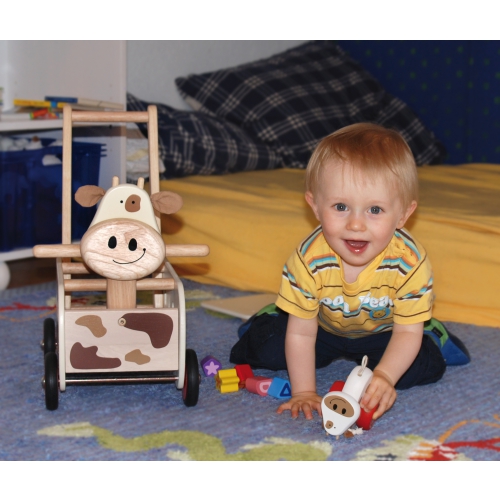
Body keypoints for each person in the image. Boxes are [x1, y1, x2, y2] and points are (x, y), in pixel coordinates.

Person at [230, 123, 470, 423]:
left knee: (423, 368)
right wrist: (304, 392)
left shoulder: (409, 262)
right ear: (315, 206)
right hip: (321, 326)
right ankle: (274, 314)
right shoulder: (308, 259)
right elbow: (302, 333)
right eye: (341, 206)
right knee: (263, 350)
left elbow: (406, 333)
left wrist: (384, 375)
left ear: (403, 215)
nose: (356, 224)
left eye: (375, 210)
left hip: (383, 331)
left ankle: (434, 331)